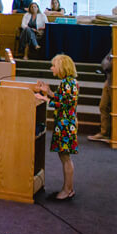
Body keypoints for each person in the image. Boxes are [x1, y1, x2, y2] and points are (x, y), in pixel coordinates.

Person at [38, 55, 78, 201]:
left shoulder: (68, 83)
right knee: (64, 156)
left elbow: (65, 105)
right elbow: (62, 99)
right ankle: (68, 188)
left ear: (61, 67)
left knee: (65, 157)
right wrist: (49, 92)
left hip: (65, 125)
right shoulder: (67, 82)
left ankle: (68, 190)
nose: (51, 68)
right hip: (64, 123)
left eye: (53, 65)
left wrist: (46, 99)